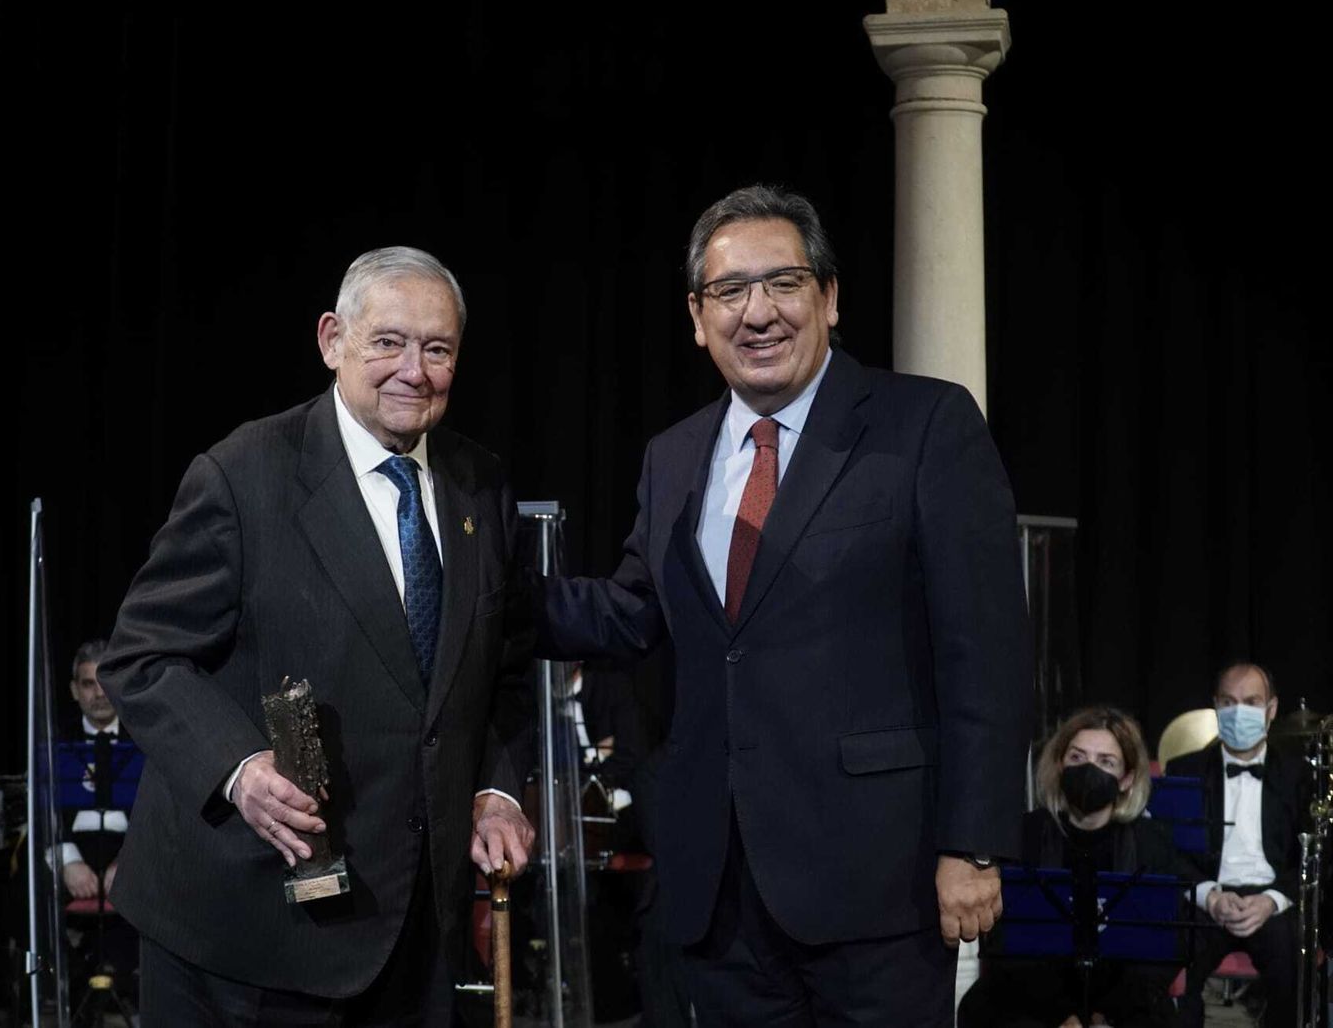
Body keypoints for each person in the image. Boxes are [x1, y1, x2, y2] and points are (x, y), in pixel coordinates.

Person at [535, 185, 1033, 1026]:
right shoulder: (673, 455)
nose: (758, 311)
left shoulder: (925, 425)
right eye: (730, 290)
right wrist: (478, 592)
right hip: (721, 892)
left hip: (882, 886)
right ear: (698, 317)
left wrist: (973, 846)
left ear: (829, 298)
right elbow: (631, 611)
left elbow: (985, 651)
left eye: (784, 283)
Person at [99, 246, 536, 1025]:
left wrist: (497, 791)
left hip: (413, 932)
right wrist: (238, 768)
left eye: (437, 350)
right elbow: (143, 655)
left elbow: (499, 670)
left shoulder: (481, 484)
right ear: (333, 339)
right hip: (243, 931)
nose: (414, 371)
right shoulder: (244, 474)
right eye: (388, 342)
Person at [959, 706, 1178, 1028]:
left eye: (1106, 761)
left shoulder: (1152, 842)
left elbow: (1162, 949)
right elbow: (1004, 943)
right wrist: (1061, 1015)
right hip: (1031, 990)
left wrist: (1106, 1015)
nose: (1089, 769)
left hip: (1123, 996)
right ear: (1060, 764)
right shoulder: (1026, 834)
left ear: (1127, 779)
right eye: (1077, 757)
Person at [1166, 661, 1308, 1028]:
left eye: (1251, 702)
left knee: (1293, 970)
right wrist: (1209, 896)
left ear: (1271, 709)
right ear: (1216, 706)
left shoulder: (1299, 774)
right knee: (1169, 961)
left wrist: (1272, 899)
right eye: (1228, 702)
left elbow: (1313, 856)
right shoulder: (1185, 770)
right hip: (1209, 898)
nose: (1238, 711)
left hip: (1272, 901)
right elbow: (1166, 849)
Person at [55, 639, 129, 903]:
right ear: (75, 690)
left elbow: (160, 814)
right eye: (89, 684)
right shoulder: (55, 740)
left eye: (106, 683)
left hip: (129, 846)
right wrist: (68, 860)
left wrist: (128, 860)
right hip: (71, 844)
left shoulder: (143, 739)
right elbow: (41, 813)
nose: (99, 693)